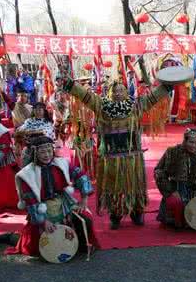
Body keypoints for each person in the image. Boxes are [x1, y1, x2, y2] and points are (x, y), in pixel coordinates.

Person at [58, 74, 173, 230]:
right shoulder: (101, 105)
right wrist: (71, 85)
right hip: (110, 157)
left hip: (132, 155)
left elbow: (152, 98)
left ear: (126, 92)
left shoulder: (135, 105)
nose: (118, 93)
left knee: (135, 186)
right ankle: (115, 215)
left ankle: (137, 212)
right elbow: (86, 97)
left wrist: (166, 87)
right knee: (113, 187)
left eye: (121, 90)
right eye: (115, 91)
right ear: (110, 93)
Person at [8, 136, 96, 256]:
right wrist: (44, 222)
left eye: (49, 151)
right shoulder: (27, 174)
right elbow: (31, 200)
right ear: (35, 153)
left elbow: (81, 176)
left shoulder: (61, 163)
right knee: (34, 247)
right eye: (42, 152)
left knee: (85, 220)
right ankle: (8, 237)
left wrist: (84, 199)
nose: (47, 155)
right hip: (41, 209)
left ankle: (82, 246)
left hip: (63, 204)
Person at [154, 128, 196, 228]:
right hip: (175, 189)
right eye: (191, 142)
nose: (194, 145)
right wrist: (170, 191)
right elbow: (159, 172)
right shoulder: (172, 152)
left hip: (193, 192)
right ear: (185, 140)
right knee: (176, 205)